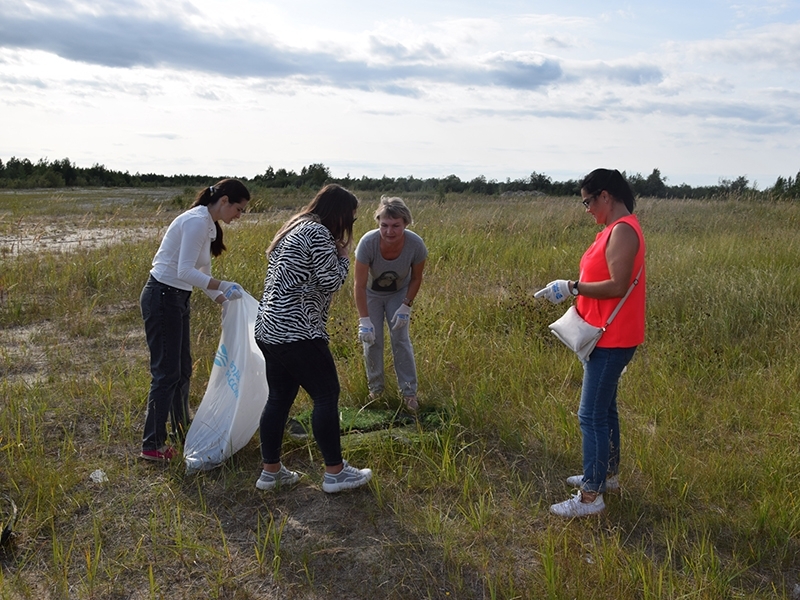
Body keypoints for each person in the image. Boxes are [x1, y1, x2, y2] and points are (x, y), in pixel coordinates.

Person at [534, 168, 646, 517]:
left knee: (590, 414)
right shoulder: (612, 230)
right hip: (602, 334)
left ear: (605, 196)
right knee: (605, 409)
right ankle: (605, 474)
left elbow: (617, 285)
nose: (586, 209)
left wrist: (572, 287)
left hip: (612, 339)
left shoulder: (624, 231)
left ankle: (591, 495)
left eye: (587, 201)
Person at [254, 183, 373, 493]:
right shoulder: (318, 233)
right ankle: (335, 473)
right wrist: (344, 256)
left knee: (279, 397)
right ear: (340, 213)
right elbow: (331, 280)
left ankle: (271, 472)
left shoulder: (293, 228)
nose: (351, 224)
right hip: (298, 331)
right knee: (326, 394)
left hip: (269, 329)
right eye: (352, 217)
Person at [140, 179, 250, 461]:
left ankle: (181, 428)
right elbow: (185, 270)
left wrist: (223, 300)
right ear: (224, 201)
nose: (239, 216)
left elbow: (201, 273)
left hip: (177, 298)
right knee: (166, 373)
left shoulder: (210, 226)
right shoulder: (196, 222)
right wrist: (224, 284)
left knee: (183, 369)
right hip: (163, 295)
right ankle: (152, 444)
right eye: (239, 209)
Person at [354, 196, 427, 411]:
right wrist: (364, 320)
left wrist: (406, 306)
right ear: (378, 223)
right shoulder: (368, 243)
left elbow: (416, 278)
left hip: (398, 293)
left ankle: (409, 393)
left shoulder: (415, 245)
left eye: (396, 226)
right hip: (371, 293)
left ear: (405, 223)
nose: (389, 231)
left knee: (400, 339)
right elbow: (358, 285)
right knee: (372, 340)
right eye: (384, 225)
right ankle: (376, 390)